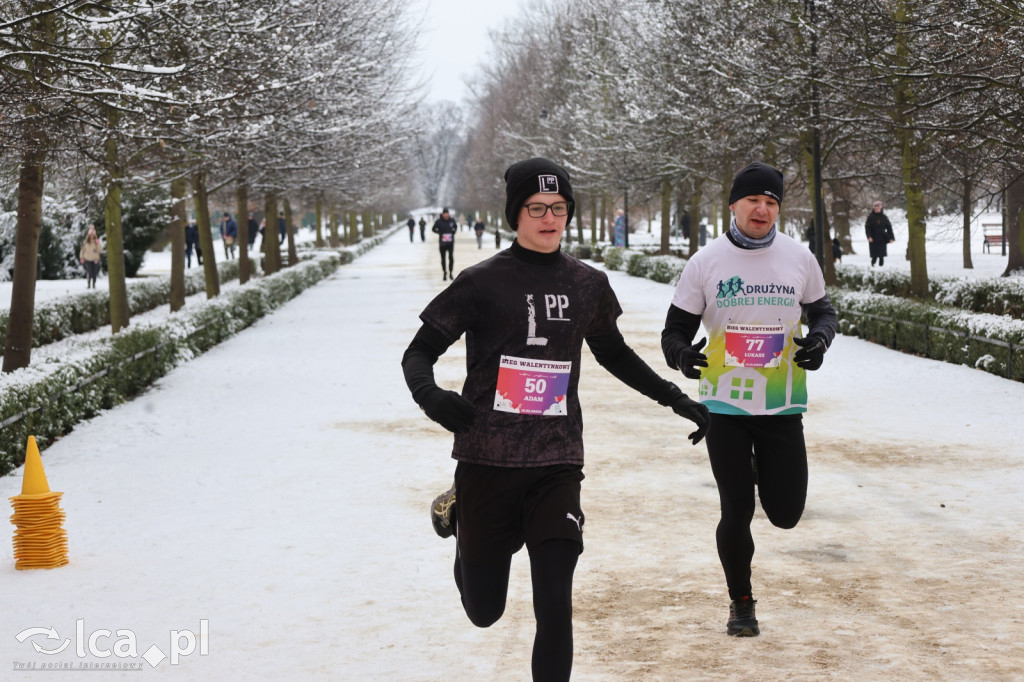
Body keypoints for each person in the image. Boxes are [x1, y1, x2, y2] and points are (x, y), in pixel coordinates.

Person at [402, 157, 709, 681]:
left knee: (554, 605)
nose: (549, 218)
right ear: (515, 214)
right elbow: (417, 354)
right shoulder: (481, 282)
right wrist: (431, 396)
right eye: (536, 207)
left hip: (556, 462)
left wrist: (674, 398)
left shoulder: (587, 284)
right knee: (484, 611)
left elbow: (615, 355)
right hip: (487, 460)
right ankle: (461, 516)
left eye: (559, 207)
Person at [661, 161, 837, 638]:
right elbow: (674, 331)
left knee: (785, 514)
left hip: (781, 403)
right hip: (725, 405)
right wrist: (681, 355)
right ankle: (741, 603)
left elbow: (823, 313)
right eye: (754, 200)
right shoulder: (706, 262)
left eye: (772, 201)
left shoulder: (799, 258)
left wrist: (819, 341)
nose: (763, 209)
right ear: (733, 205)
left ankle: (762, 471)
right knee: (735, 509)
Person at [865, 200, 895, 266]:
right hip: (873, 238)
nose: (878, 209)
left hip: (882, 238)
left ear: (881, 208)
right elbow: (867, 228)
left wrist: (891, 238)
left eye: (879, 208)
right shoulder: (870, 217)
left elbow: (889, 228)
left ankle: (881, 268)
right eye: (876, 208)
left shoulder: (884, 217)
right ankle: (873, 267)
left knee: (882, 256)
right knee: (874, 256)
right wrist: (869, 236)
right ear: (874, 208)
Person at [432, 207, 458, 280]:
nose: (446, 215)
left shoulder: (452, 220)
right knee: (443, 259)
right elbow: (433, 229)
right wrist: (439, 233)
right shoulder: (439, 221)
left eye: (447, 213)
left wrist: (453, 231)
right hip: (442, 243)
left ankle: (450, 273)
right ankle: (444, 272)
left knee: (451, 258)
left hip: (450, 242)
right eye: (444, 214)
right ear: (443, 214)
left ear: (448, 214)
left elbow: (455, 227)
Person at [79, 224, 103, 288]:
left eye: (93, 235)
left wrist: (98, 243)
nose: (92, 236)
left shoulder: (96, 242)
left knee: (94, 272)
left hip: (95, 259)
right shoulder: (86, 242)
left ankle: (94, 284)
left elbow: (100, 249)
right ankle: (88, 284)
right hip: (87, 259)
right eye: (91, 235)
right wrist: (82, 257)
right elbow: (82, 250)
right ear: (89, 235)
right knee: (89, 272)